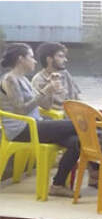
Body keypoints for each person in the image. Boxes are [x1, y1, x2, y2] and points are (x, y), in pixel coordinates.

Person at [0, 43, 80, 197]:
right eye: (31, 57)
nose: (35, 61)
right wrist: (45, 90)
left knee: (76, 141)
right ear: (20, 59)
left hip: (35, 125)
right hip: (21, 129)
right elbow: (21, 109)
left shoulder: (23, 79)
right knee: (79, 125)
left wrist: (51, 89)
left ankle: (57, 185)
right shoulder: (10, 80)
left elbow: (46, 106)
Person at [32, 42, 81, 110]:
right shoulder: (38, 80)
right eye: (61, 56)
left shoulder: (65, 74)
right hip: (56, 118)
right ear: (49, 59)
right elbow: (43, 106)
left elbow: (76, 98)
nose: (65, 60)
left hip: (72, 114)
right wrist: (49, 89)